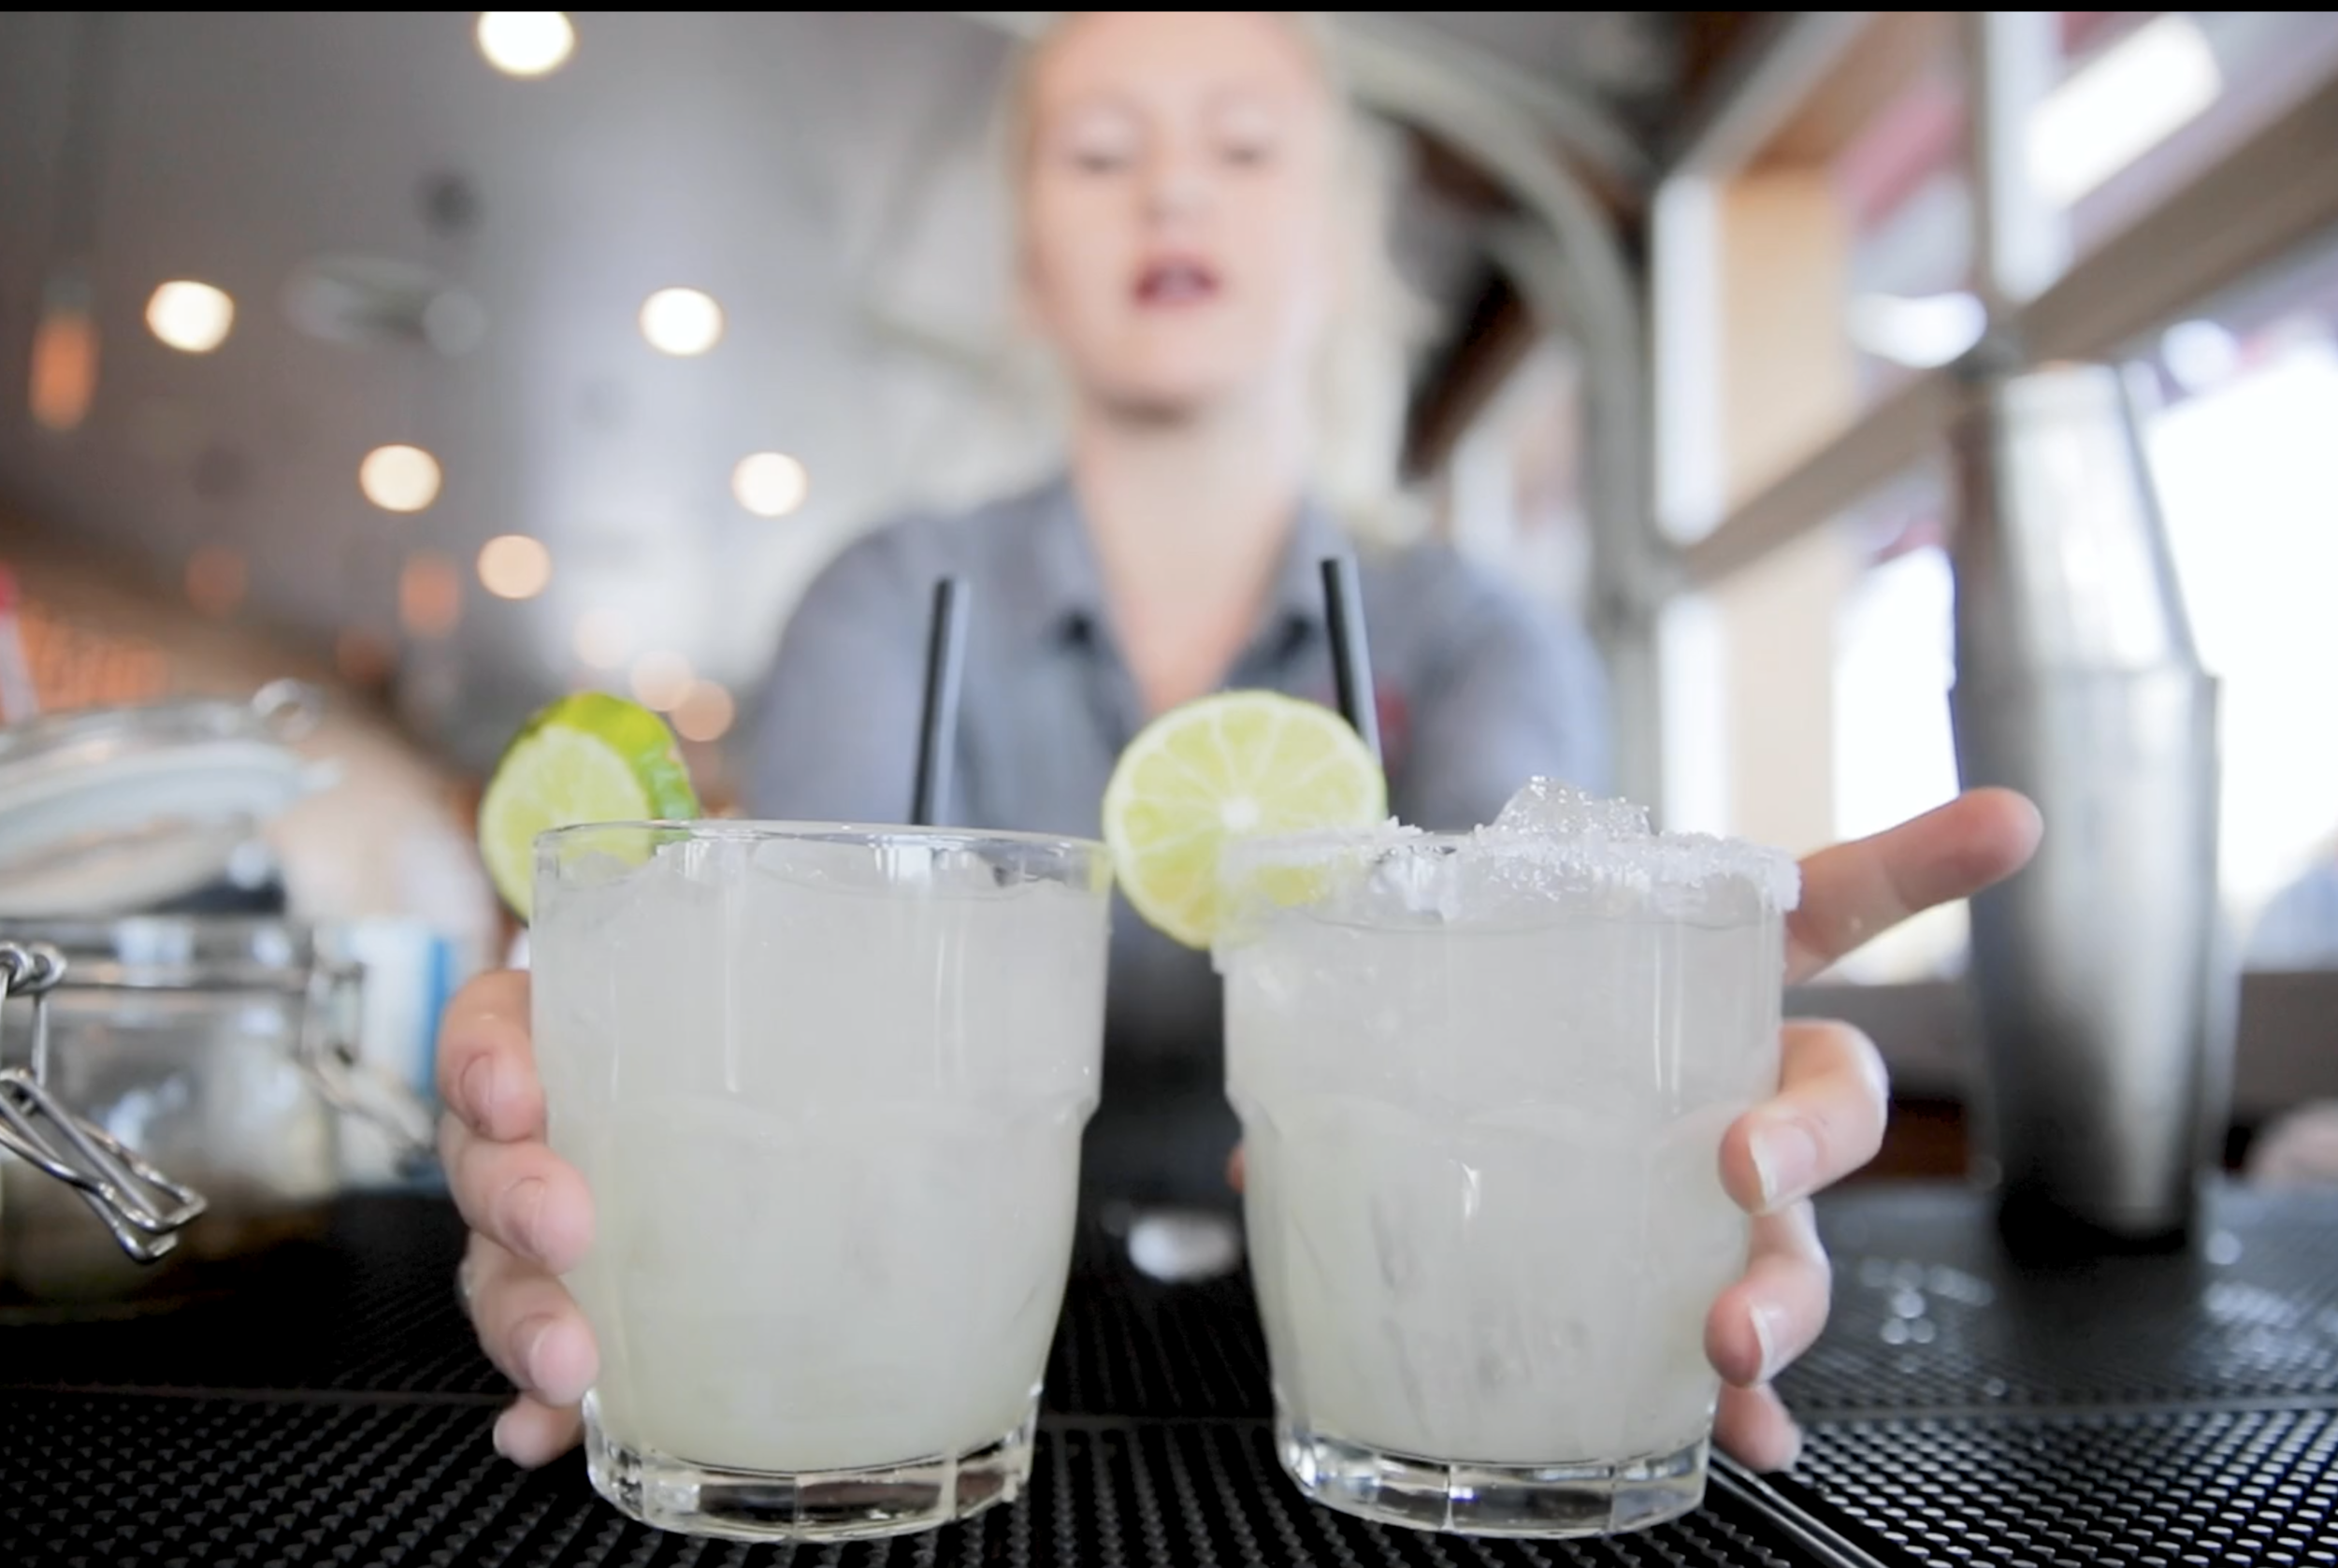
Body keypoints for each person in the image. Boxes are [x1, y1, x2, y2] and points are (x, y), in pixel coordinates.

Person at [435, 11, 2045, 1477]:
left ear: (1347, 235)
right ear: (1025, 256)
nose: (1173, 196)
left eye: (1244, 147)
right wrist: (600, 1124)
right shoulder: (888, 601)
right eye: (1101, 152)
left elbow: (1529, 980)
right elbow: (784, 1009)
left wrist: (1669, 1099)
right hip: (906, 1369)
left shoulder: (1476, 636)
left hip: (1401, 1367)